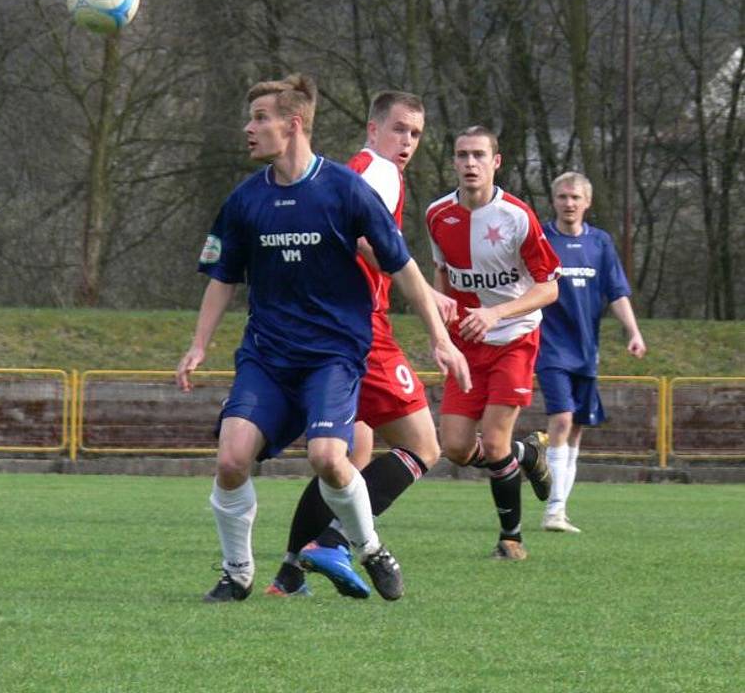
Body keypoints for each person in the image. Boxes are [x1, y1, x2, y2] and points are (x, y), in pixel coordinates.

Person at [176, 73, 471, 603]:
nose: (249, 128)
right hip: (267, 356)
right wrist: (199, 344)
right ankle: (237, 572)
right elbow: (223, 278)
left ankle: (368, 547)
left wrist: (440, 338)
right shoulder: (245, 200)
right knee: (230, 458)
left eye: (259, 118)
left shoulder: (345, 188)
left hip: (333, 355)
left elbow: (401, 266)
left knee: (330, 456)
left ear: (292, 126)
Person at [266, 90, 456, 601]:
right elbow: (363, 241)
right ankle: (330, 542)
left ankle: (289, 575)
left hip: (328, 325)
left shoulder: (344, 171)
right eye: (399, 129)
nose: (407, 143)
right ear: (373, 129)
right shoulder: (379, 172)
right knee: (423, 446)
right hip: (363, 331)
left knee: (351, 452)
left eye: (415, 134)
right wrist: (420, 290)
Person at [426, 126, 560, 561]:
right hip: (467, 343)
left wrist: (495, 313)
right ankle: (528, 454)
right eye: (462, 155)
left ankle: (511, 539)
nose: (470, 164)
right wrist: (439, 332)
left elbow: (549, 287)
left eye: (478, 155)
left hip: (514, 338)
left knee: (494, 441)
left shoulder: (517, 216)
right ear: (453, 162)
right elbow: (441, 277)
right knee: (457, 449)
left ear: (495, 162)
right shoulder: (437, 216)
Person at [536, 171, 646, 533]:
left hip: (586, 352)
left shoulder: (600, 243)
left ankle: (559, 509)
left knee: (577, 430)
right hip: (550, 347)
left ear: (587, 203)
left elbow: (616, 292)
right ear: (553, 201)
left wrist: (633, 332)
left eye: (575, 198)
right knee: (563, 419)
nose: (569, 203)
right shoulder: (540, 238)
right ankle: (552, 509)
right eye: (563, 197)